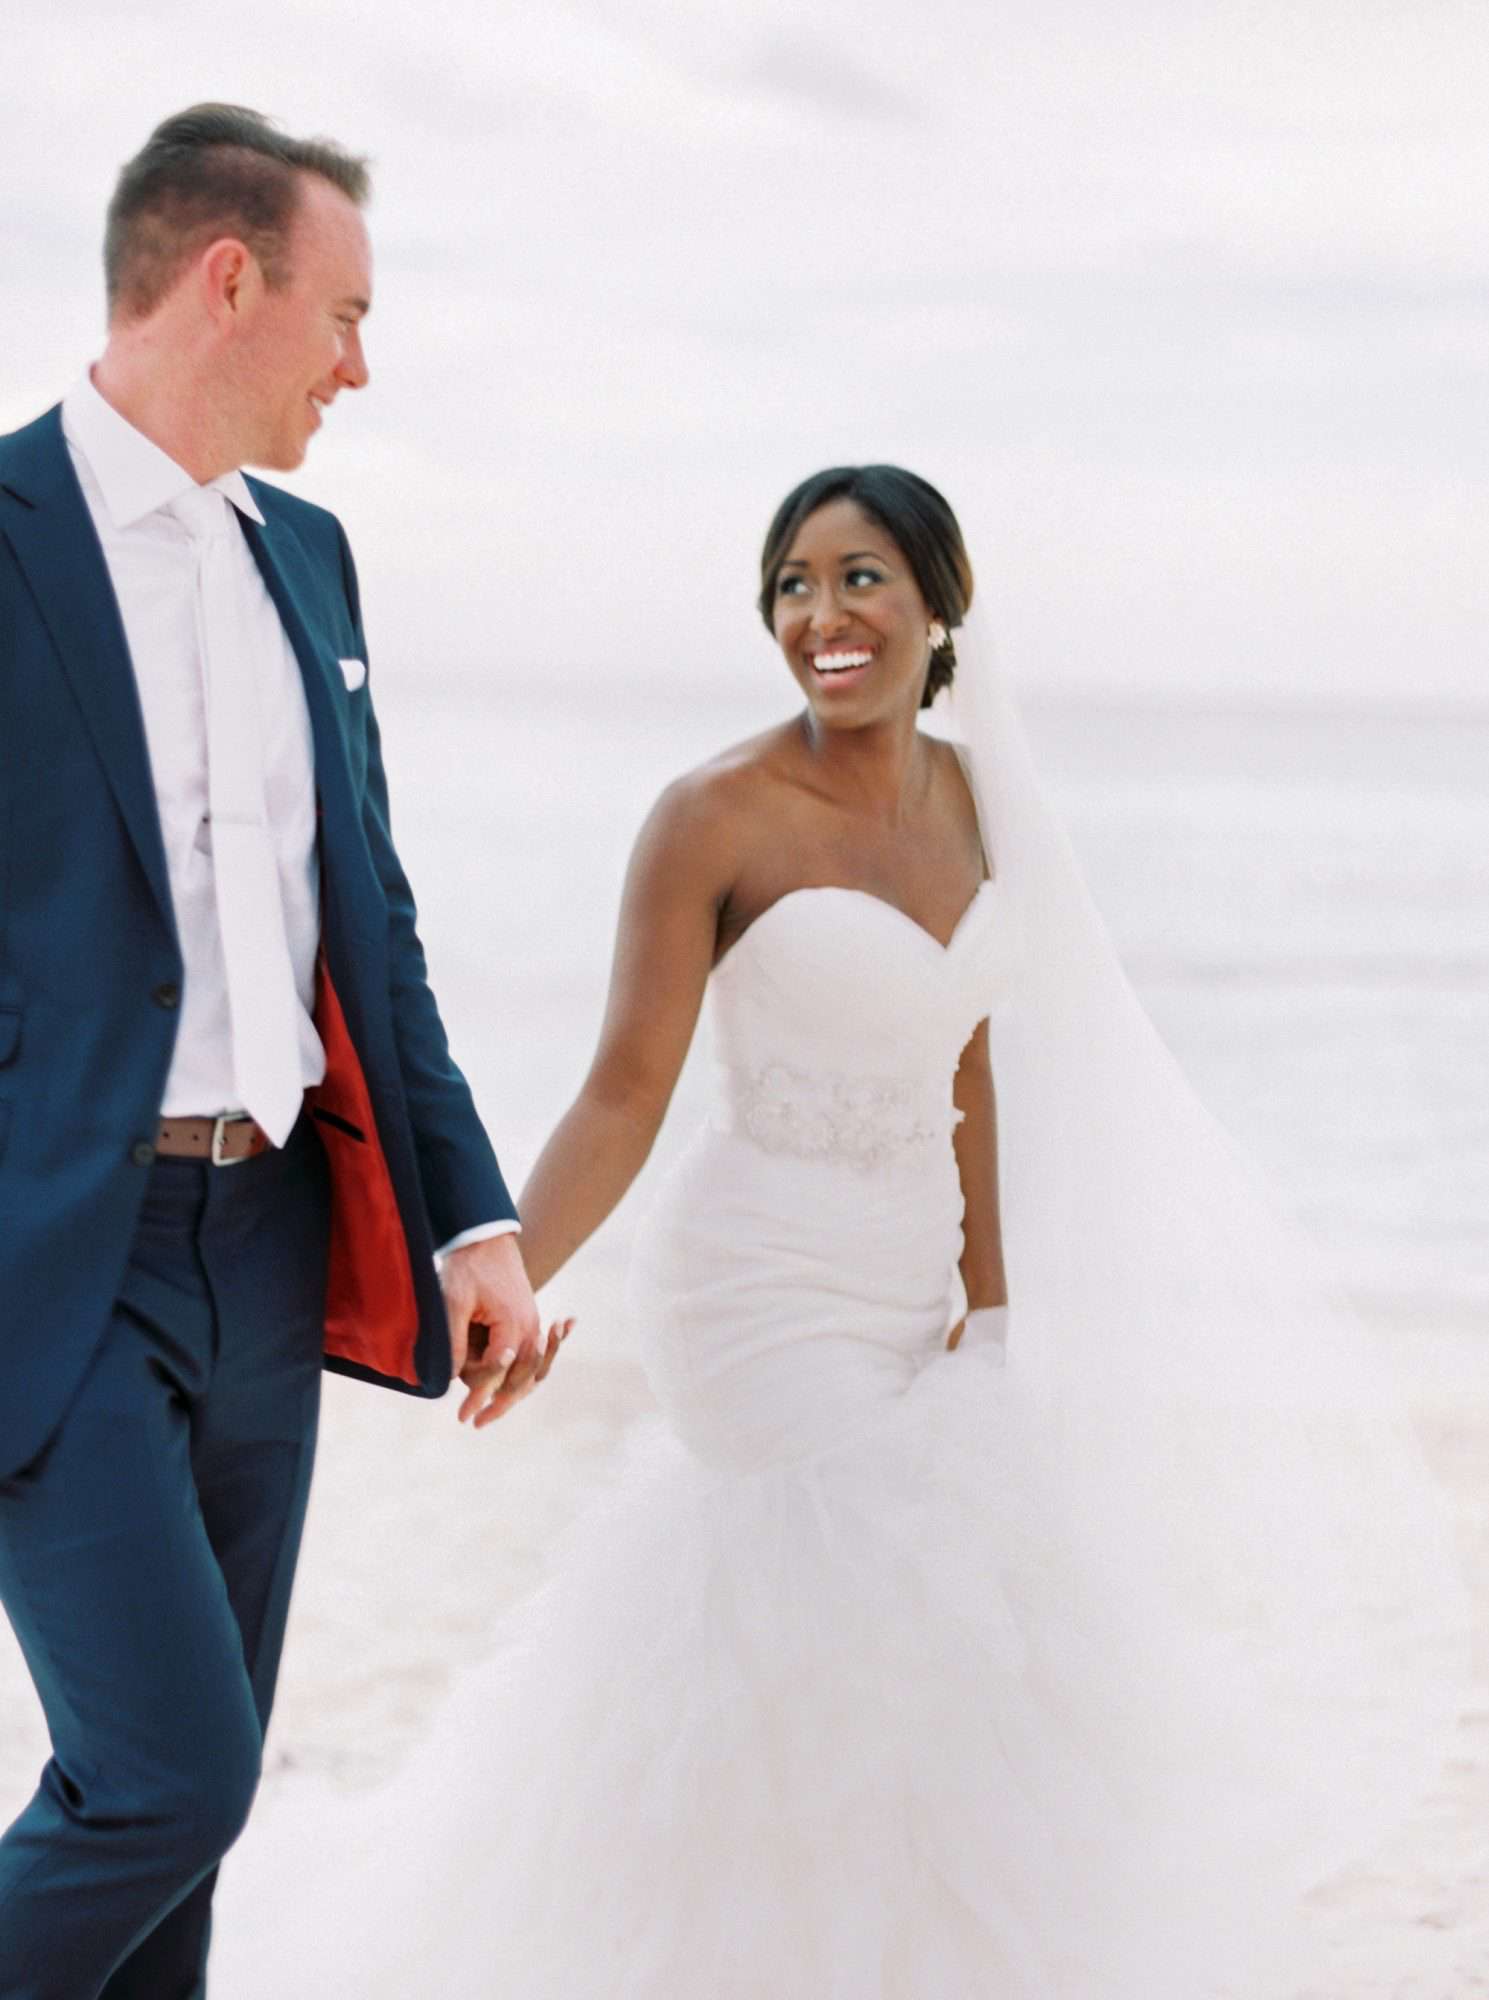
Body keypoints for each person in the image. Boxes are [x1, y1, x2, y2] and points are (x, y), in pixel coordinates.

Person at [217, 465, 1468, 1998]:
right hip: (754, 1285)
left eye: (860, 575)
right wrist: (508, 1277)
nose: (823, 612)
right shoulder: (712, 817)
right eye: (793, 584)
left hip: (907, 1275)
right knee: (867, 1590)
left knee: (948, 1641)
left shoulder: (985, 803)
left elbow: (975, 1071)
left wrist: (994, 1312)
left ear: (938, 604)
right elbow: (622, 1091)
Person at [0, 104, 564, 2000]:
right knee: (167, 1779)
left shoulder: (308, 560)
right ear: (228, 279)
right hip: (54, 1260)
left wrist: (473, 1218)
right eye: (346, 315)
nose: (358, 366)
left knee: (193, 1822)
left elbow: (369, 926)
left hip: (266, 1245)